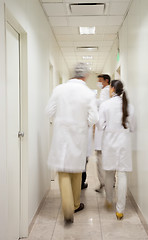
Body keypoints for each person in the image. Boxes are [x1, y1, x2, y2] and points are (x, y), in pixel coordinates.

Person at [46, 63, 99, 224]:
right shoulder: (88, 93)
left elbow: (49, 111)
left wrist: (61, 121)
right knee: (76, 172)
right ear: (86, 76)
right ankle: (75, 205)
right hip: (78, 138)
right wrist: (82, 125)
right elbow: (94, 118)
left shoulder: (59, 89)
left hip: (61, 138)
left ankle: (68, 209)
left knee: (63, 172)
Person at [97, 80, 135, 219]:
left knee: (109, 172)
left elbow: (100, 125)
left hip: (109, 142)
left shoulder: (105, 105)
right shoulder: (129, 106)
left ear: (112, 89)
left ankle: (109, 200)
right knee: (122, 174)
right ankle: (120, 210)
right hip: (124, 142)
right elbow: (133, 126)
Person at [94, 74, 110, 192]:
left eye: (100, 81)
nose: (99, 83)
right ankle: (110, 182)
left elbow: (102, 105)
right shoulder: (108, 92)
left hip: (102, 130)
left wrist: (93, 100)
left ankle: (103, 183)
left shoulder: (105, 92)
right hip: (109, 133)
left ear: (106, 81)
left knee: (100, 158)